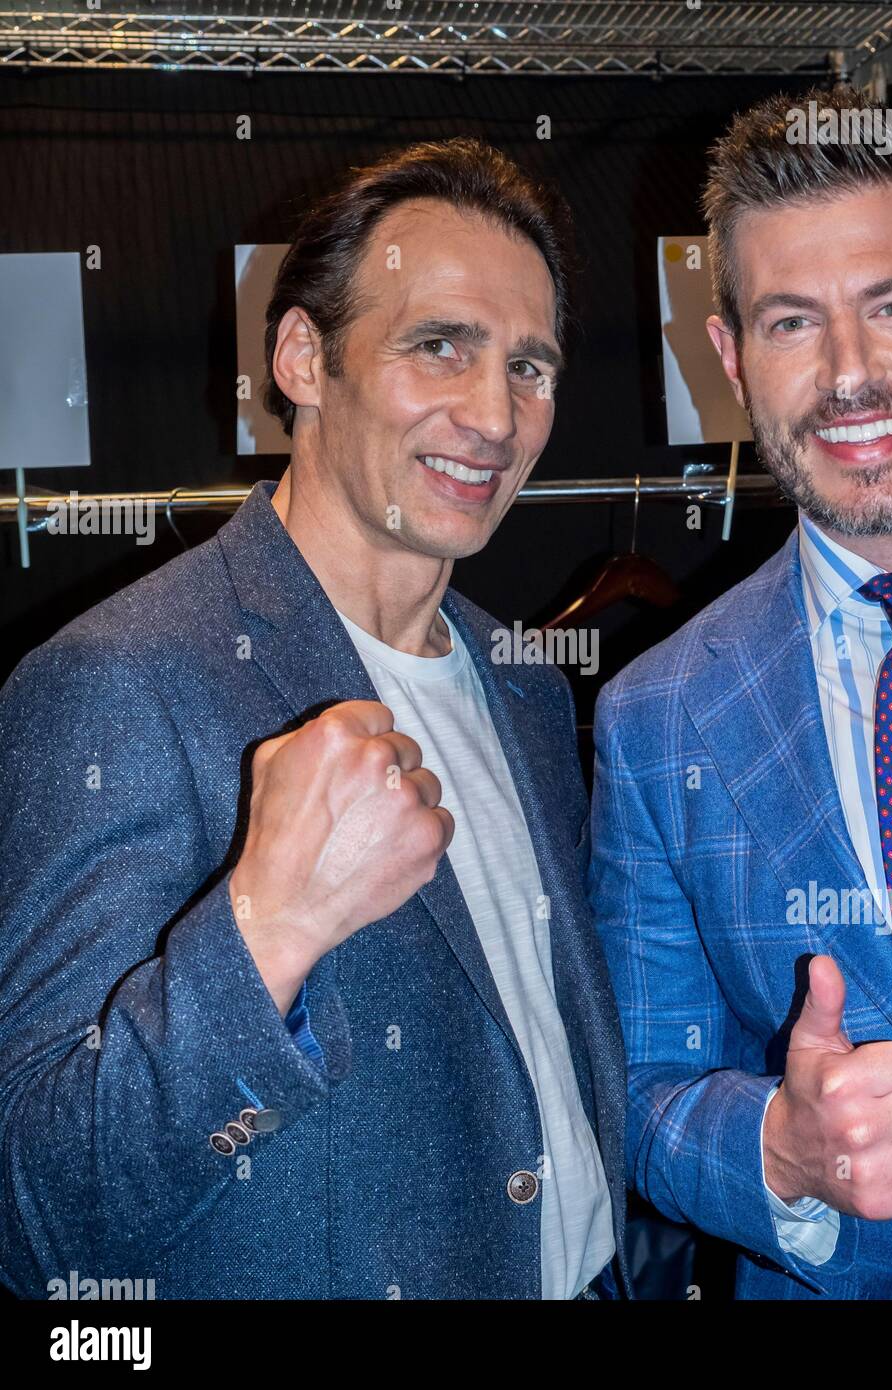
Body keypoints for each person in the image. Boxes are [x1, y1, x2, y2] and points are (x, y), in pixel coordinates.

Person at [0, 138, 629, 1301]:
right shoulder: (118, 679)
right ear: (300, 356)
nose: (492, 414)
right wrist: (264, 933)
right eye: (438, 344)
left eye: (529, 367)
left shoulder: (528, 686)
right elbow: (36, 1214)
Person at [589, 86, 892, 1298]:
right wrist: (774, 1148)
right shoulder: (656, 720)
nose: (848, 377)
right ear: (728, 357)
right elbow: (643, 1095)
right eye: (790, 324)